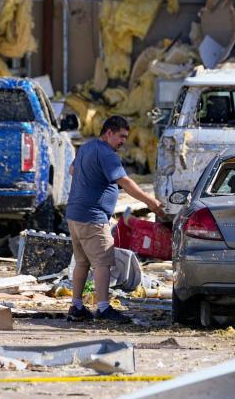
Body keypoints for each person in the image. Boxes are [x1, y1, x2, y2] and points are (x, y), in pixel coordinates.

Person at [65, 115, 165, 324]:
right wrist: (151, 202)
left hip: (74, 215)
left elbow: (72, 170)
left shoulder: (86, 147)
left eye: (125, 138)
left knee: (82, 263)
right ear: (108, 133)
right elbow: (125, 181)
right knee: (103, 263)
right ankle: (102, 308)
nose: (122, 142)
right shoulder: (107, 153)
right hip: (93, 218)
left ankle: (76, 306)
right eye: (121, 136)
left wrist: (92, 180)